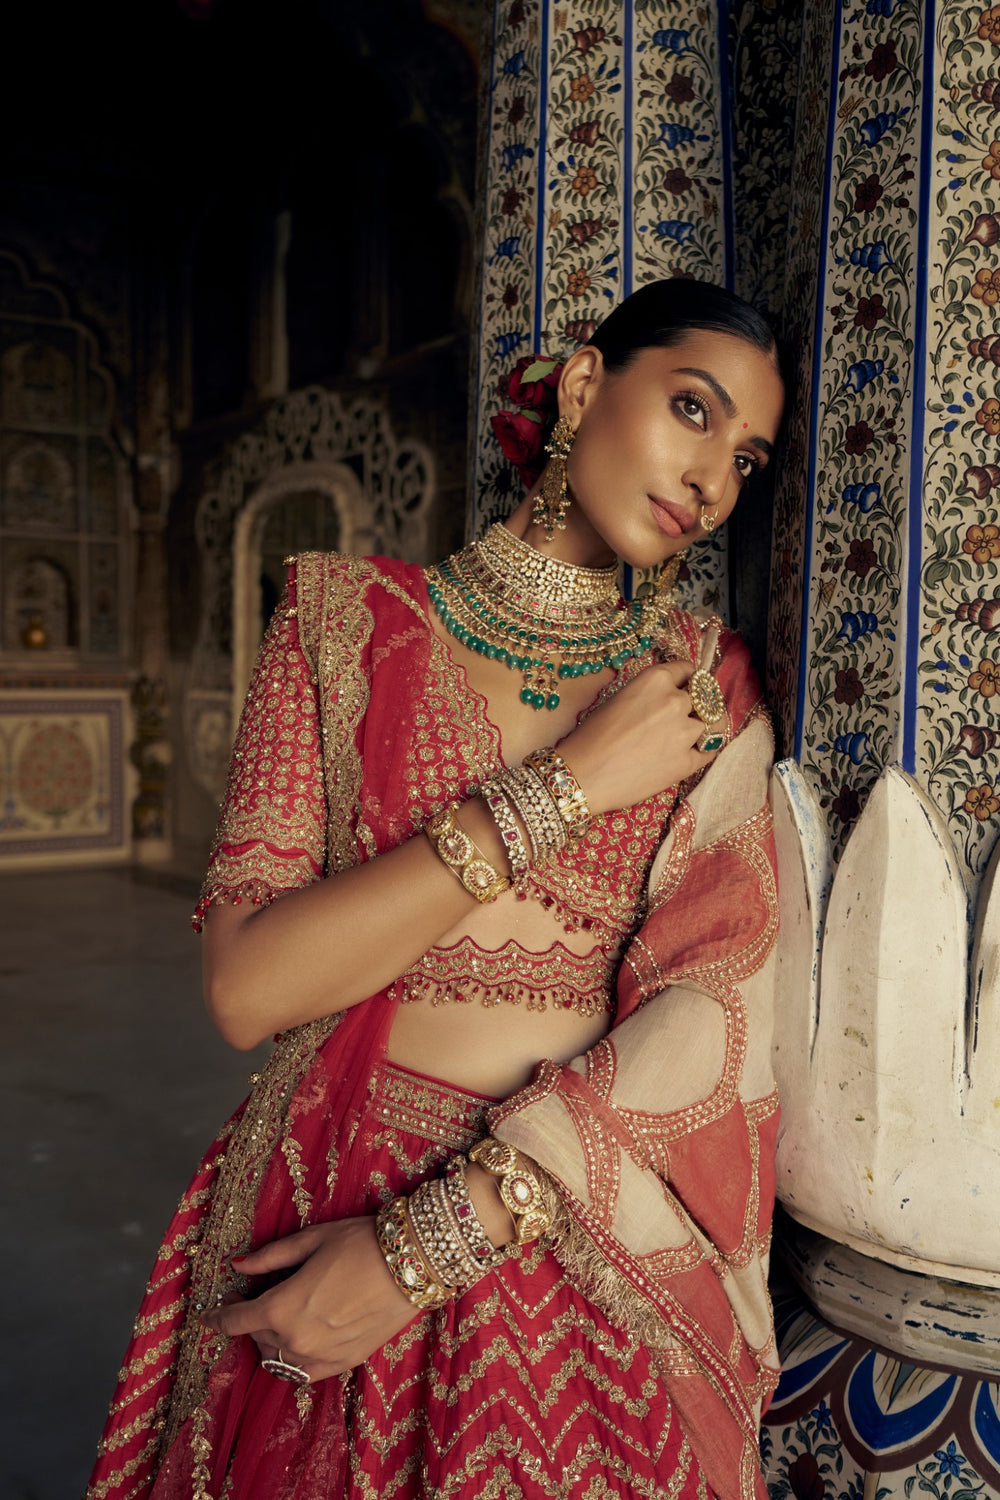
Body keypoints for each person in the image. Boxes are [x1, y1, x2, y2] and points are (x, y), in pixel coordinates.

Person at [86, 279, 785, 1500]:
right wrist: (564, 786)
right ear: (582, 385)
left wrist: (437, 1239)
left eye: (748, 456)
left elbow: (716, 1010)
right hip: (315, 1195)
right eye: (691, 409)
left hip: (558, 1235)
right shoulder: (343, 620)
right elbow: (251, 986)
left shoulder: (699, 688)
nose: (714, 480)